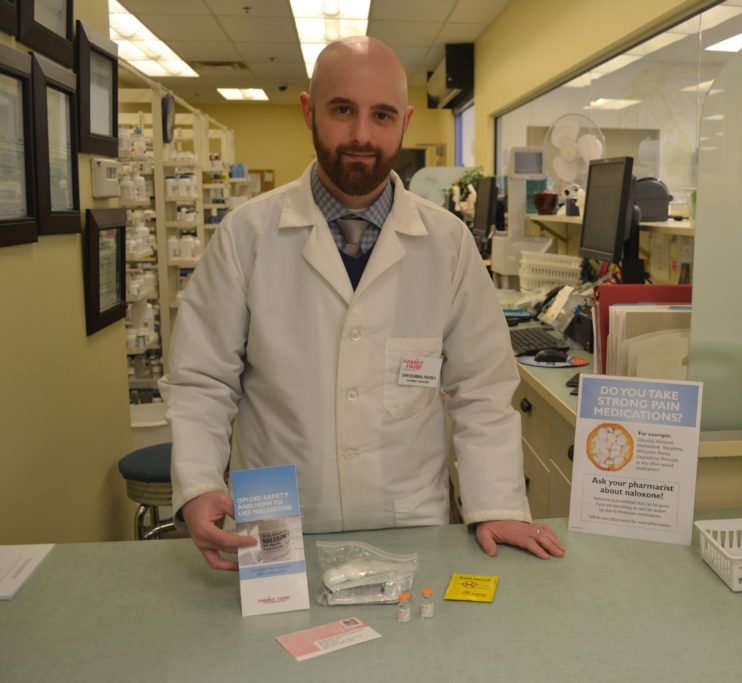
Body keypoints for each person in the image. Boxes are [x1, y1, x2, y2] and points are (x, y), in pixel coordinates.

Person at [160, 37, 565, 571]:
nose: (361, 135)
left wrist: (497, 505)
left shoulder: (446, 242)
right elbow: (202, 380)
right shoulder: (247, 235)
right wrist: (199, 482)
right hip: (280, 524)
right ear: (309, 111)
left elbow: (481, 388)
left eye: (382, 115)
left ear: (406, 121)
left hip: (410, 523)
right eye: (342, 110)